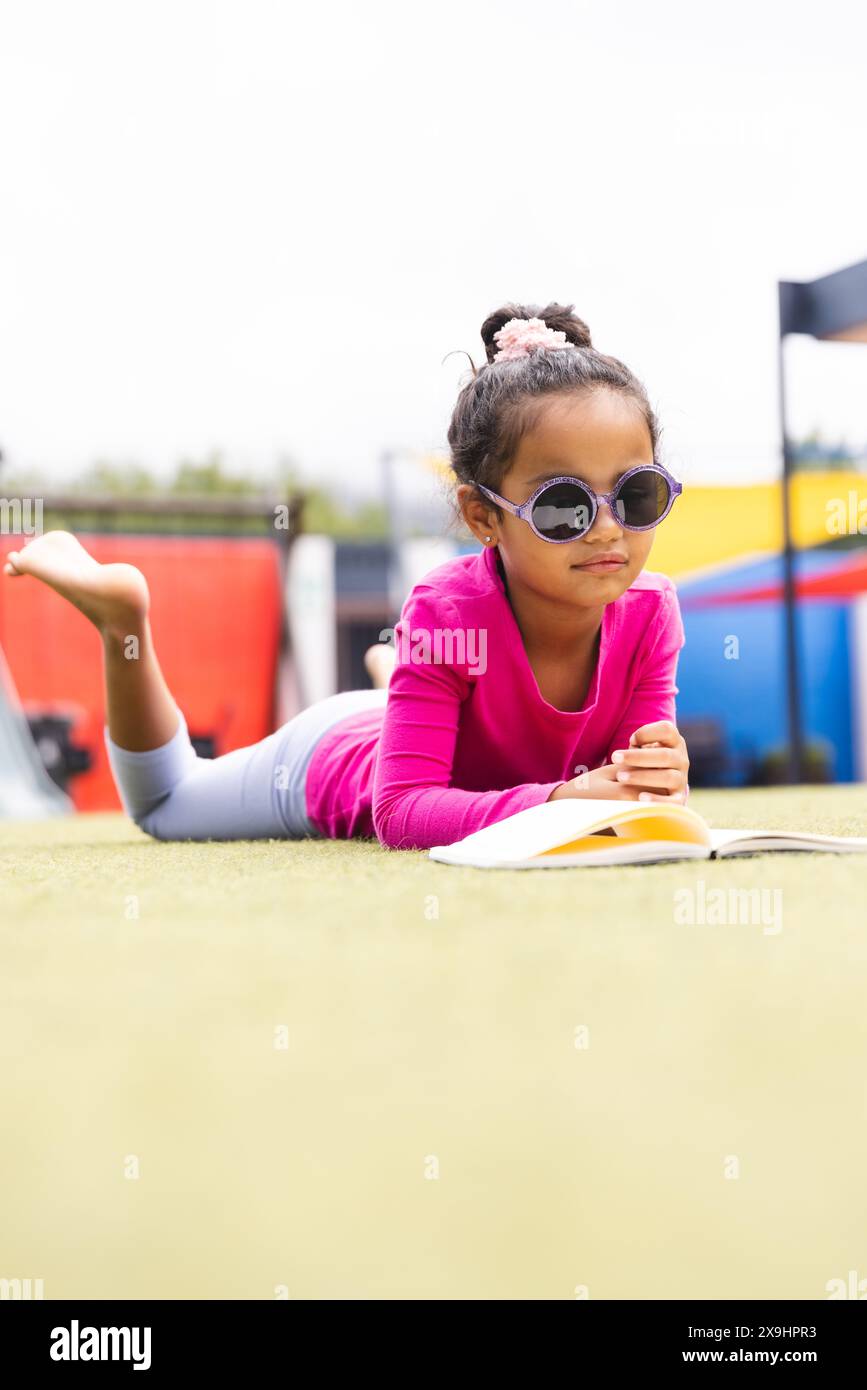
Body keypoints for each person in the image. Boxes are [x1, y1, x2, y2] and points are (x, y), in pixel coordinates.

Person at [4, 301, 689, 851]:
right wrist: (560, 799)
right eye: (562, 507)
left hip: (422, 710)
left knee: (427, 690)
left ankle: (399, 676)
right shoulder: (448, 612)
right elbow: (402, 813)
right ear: (482, 518)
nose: (606, 529)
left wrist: (652, 776)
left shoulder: (650, 611)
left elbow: (636, 790)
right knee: (166, 804)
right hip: (336, 757)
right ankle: (123, 617)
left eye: (636, 496)